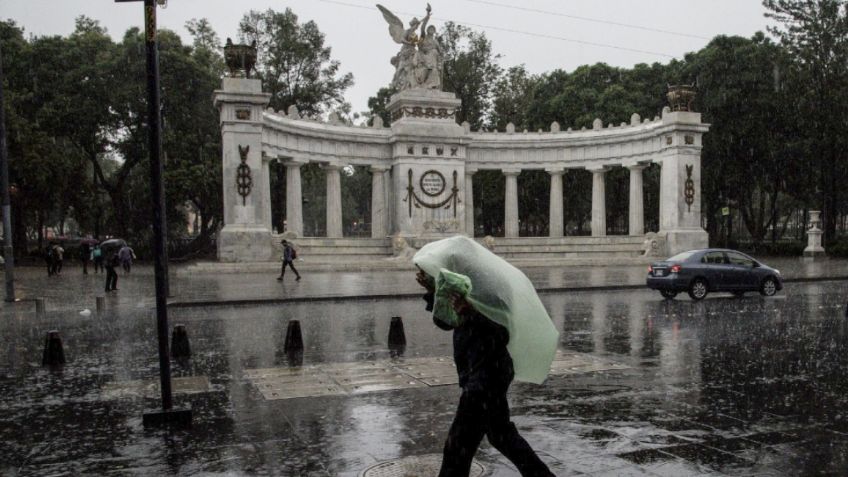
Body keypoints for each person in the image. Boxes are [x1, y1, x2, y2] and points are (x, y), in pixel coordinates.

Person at [416, 269, 554, 477]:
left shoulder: (494, 292)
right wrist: (434, 292)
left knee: (458, 446)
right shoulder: (464, 288)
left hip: (487, 376)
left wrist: (471, 312)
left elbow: (503, 331)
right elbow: (446, 322)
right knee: (501, 435)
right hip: (478, 372)